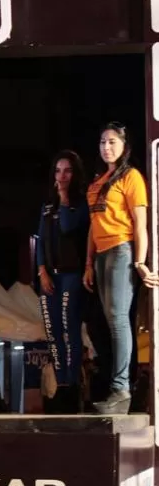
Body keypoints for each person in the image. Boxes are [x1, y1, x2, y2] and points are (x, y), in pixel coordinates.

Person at [83, 122, 159, 414]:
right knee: (109, 321)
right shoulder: (97, 183)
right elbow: (93, 226)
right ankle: (118, 389)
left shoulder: (132, 177)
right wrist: (89, 263)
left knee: (118, 320)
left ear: (124, 146)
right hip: (102, 255)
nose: (106, 147)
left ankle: (122, 389)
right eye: (102, 142)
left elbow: (141, 223)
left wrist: (141, 261)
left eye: (112, 142)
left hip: (122, 249)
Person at [35, 150, 89, 413]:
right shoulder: (46, 206)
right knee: (52, 332)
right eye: (58, 170)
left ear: (74, 173)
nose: (62, 176)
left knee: (69, 328)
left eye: (67, 170)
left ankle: (71, 383)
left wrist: (65, 197)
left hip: (73, 273)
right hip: (50, 275)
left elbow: (68, 227)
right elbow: (39, 242)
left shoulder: (79, 203)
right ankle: (61, 383)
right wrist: (42, 270)